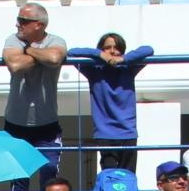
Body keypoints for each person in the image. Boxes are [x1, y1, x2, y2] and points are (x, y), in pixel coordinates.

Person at [66, 32, 154, 176]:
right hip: (105, 133)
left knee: (128, 177)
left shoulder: (128, 69)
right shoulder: (93, 70)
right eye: (107, 47)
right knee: (109, 177)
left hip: (128, 133)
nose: (112, 51)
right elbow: (72, 52)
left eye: (116, 48)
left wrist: (123, 59)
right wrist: (99, 55)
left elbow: (148, 49)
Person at [1, 3, 65, 188]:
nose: (17, 24)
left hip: (47, 125)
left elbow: (54, 58)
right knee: (19, 177)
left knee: (50, 173)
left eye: (23, 20)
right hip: (16, 125)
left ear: (39, 24)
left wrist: (28, 50)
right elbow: (15, 65)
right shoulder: (13, 39)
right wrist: (41, 57)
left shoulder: (56, 41)